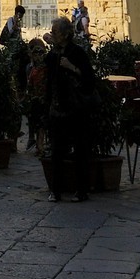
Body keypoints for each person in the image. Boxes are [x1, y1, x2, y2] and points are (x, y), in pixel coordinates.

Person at [43, 15, 96, 202]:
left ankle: (82, 190)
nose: (52, 34)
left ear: (66, 34)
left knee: (80, 150)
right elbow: (49, 80)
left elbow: (89, 79)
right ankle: (55, 190)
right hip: (57, 108)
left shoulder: (77, 53)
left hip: (76, 108)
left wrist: (71, 67)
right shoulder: (52, 54)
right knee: (56, 150)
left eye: (55, 32)